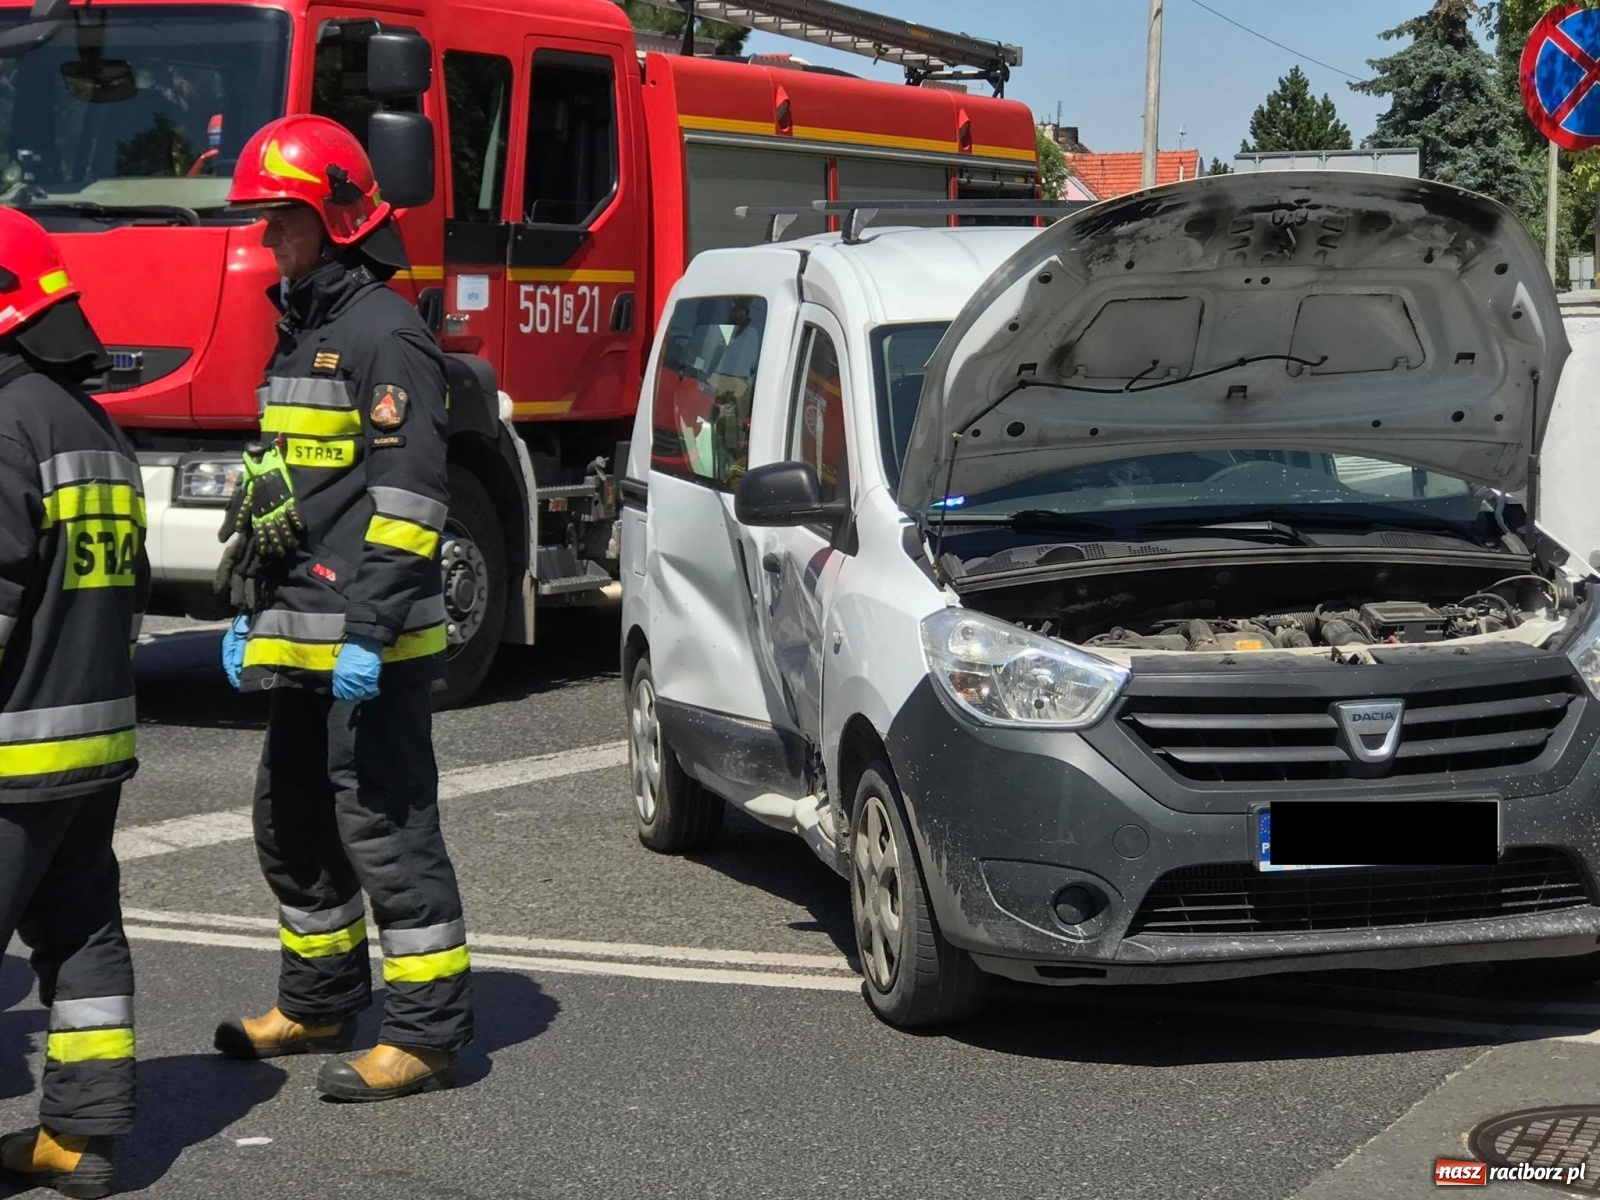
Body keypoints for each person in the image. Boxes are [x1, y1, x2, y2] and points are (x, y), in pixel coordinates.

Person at [211, 115, 472, 1101]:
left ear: (335, 219)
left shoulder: (384, 334)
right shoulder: (305, 332)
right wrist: (250, 606)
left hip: (372, 646)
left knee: (388, 833)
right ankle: (319, 1001)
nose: (267, 235)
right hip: (300, 638)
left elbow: (409, 508)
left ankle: (426, 1035)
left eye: (282, 217)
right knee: (291, 823)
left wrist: (368, 632)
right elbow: (286, 499)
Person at [0, 209, 147, 1200]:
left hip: (10, 753)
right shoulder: (95, 426)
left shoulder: (4, 423)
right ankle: (77, 1138)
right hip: (91, 746)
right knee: (83, 934)